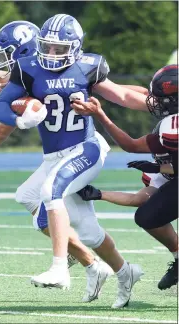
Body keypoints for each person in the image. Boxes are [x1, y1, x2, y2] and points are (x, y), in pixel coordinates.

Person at [0, 14, 151, 308]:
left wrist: (159, 105)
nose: (51, 54)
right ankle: (124, 272)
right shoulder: (28, 70)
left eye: (59, 49)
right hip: (55, 156)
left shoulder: (87, 67)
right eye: (47, 47)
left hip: (86, 149)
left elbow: (124, 95)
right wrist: (20, 120)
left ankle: (60, 267)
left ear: (75, 47)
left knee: (51, 191)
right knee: (64, 216)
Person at [72, 64, 178, 290]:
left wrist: (100, 115)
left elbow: (130, 145)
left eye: (160, 98)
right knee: (147, 216)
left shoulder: (172, 130)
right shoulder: (168, 133)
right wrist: (99, 194)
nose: (154, 102)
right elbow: (139, 199)